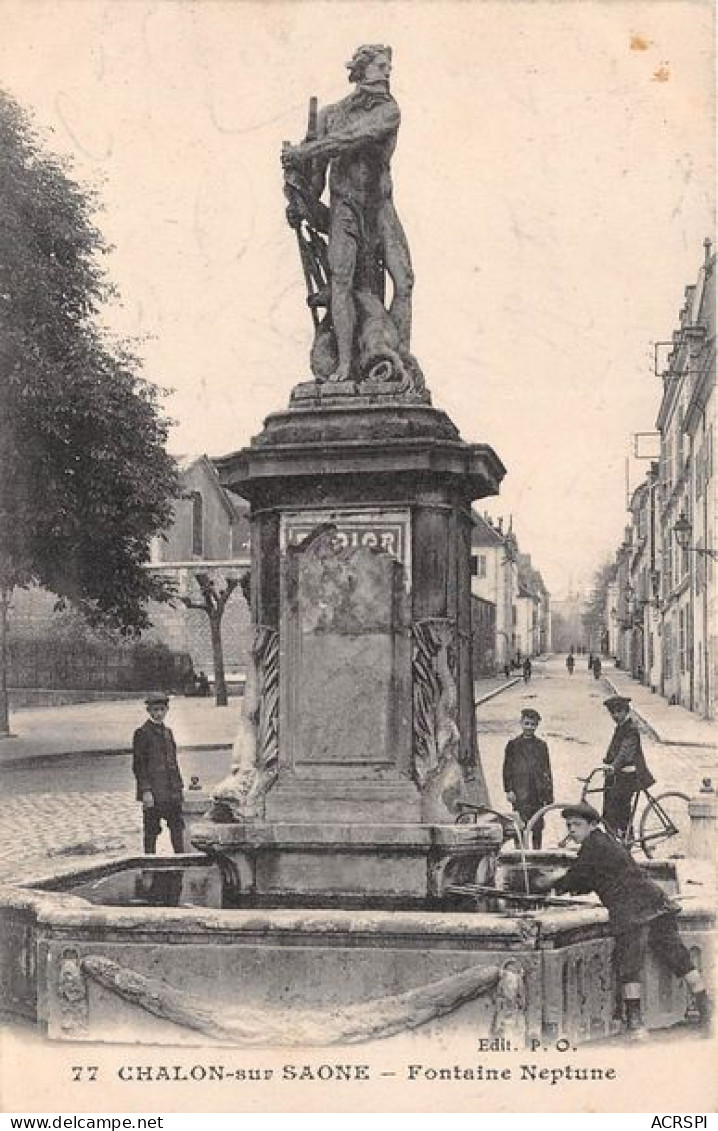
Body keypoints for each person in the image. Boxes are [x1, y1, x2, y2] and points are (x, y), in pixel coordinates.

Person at [281, 44, 414, 383]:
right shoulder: (330, 114)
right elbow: (315, 180)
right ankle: (343, 364)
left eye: (389, 66)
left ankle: (399, 357)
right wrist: (299, 200)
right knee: (340, 281)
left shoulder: (389, 110)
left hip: (380, 208)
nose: (387, 72)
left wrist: (306, 150)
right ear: (362, 69)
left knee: (404, 281)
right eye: (381, 66)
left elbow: (354, 138)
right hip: (344, 208)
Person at [533, 803, 712, 1037]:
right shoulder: (605, 842)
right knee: (677, 955)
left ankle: (636, 1023)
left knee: (630, 964)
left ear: (592, 825)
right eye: (569, 825)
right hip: (655, 901)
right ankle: (706, 1010)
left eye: (577, 825)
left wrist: (550, 882)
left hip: (630, 910)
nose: (572, 830)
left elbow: (577, 877)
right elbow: (591, 878)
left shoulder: (592, 846)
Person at [132, 692, 185, 854]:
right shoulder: (142, 733)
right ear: (149, 711)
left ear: (167, 709)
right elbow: (139, 765)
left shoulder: (168, 732)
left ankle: (180, 862)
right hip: (154, 792)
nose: (159, 713)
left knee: (177, 828)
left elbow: (173, 763)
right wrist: (146, 791)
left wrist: (179, 788)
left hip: (171, 792)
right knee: (151, 831)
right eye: (155, 710)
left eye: (162, 709)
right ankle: (149, 866)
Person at [601, 694, 654, 839]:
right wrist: (607, 763)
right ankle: (615, 840)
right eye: (612, 712)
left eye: (619, 711)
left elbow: (625, 752)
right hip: (617, 775)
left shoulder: (631, 729)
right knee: (608, 811)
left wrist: (613, 766)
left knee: (621, 811)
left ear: (626, 711)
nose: (615, 715)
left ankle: (627, 841)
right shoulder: (620, 727)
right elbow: (614, 750)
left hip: (628, 776)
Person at [503, 708, 554, 849]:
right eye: (527, 723)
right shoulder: (513, 745)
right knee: (520, 824)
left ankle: (537, 851)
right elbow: (507, 769)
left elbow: (547, 771)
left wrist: (549, 795)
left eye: (533, 724)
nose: (529, 727)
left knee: (537, 825)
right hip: (520, 792)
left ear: (537, 725)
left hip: (537, 792)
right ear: (521, 723)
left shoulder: (541, 745)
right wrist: (509, 790)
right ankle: (520, 852)